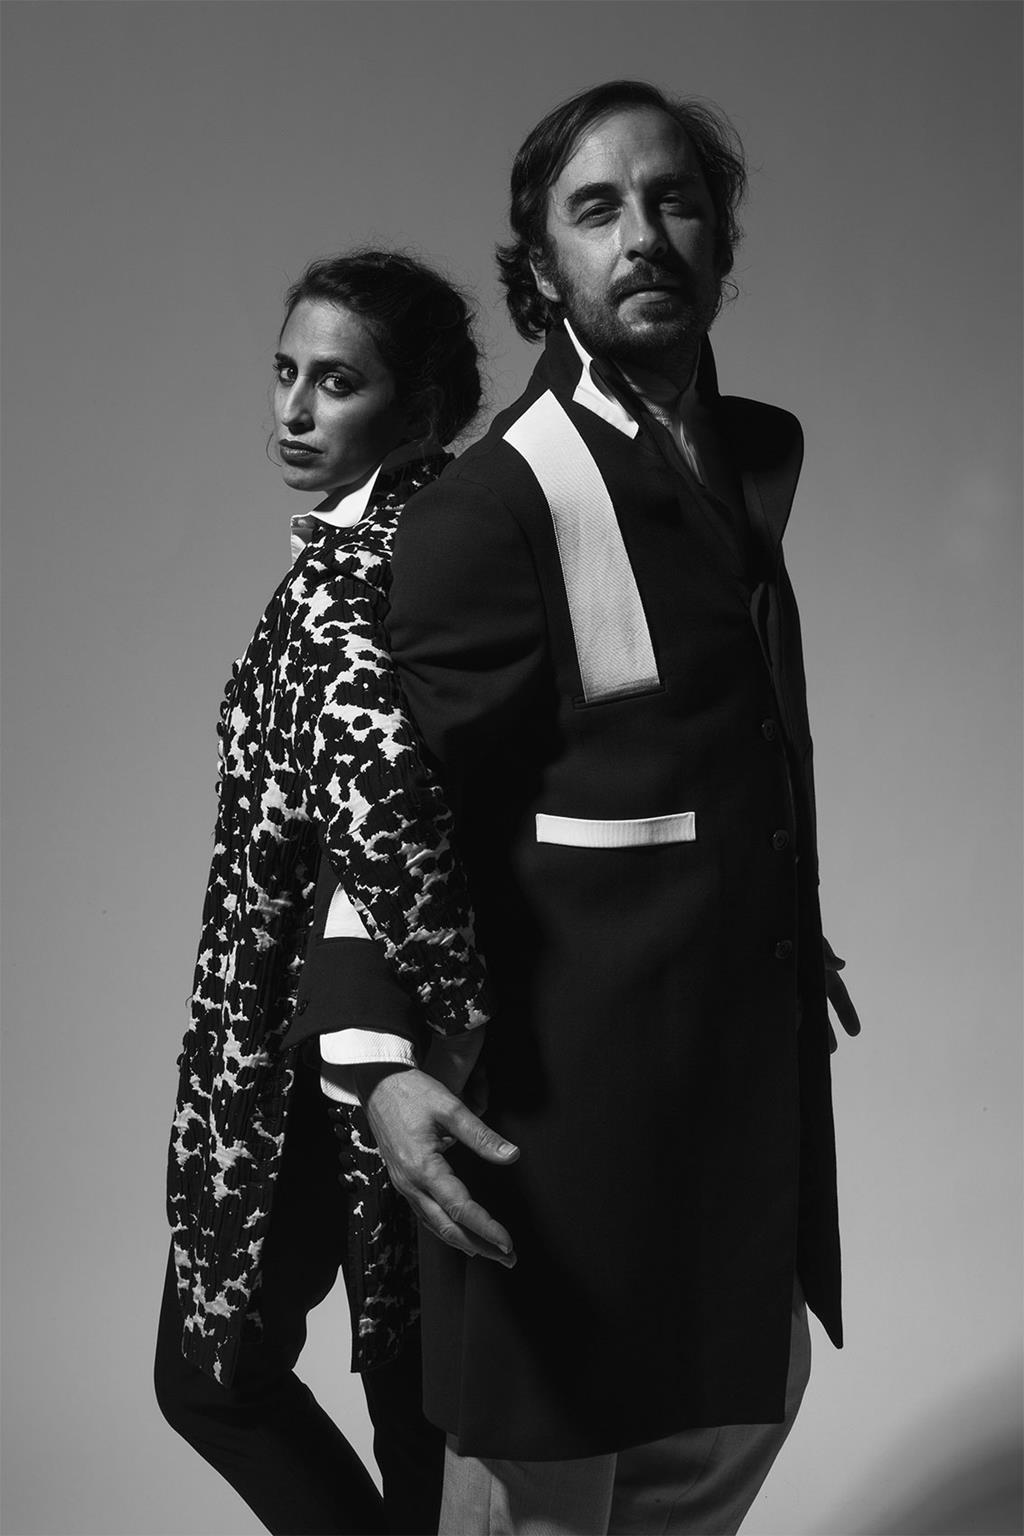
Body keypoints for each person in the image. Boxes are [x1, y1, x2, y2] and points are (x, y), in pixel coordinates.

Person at [320, 82, 861, 1535]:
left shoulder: (749, 456)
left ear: (721, 239)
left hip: (735, 1105)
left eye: (674, 200)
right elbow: (394, 805)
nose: (643, 237)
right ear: (544, 262)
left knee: (736, 1425)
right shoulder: (492, 505)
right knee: (542, 1489)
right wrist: (374, 1065)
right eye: (597, 208)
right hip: (554, 1135)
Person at [155, 249, 494, 1536]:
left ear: (419, 409)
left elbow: (391, 808)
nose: (294, 411)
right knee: (415, 1421)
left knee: (232, 1381)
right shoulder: (411, 540)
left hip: (322, 1067)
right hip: (335, 1051)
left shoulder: (364, 569)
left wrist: (452, 1015)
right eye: (285, 373)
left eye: (336, 383)